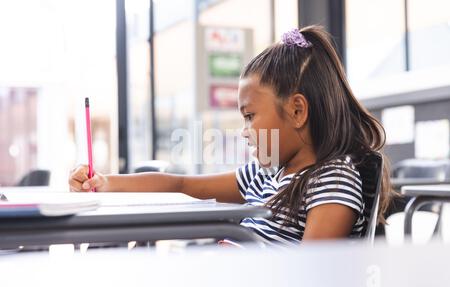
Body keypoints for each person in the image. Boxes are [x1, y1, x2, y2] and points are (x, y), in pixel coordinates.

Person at [69, 25, 392, 246]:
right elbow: (181, 185)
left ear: (297, 111)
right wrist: (108, 182)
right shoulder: (266, 174)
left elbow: (309, 278)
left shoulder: (333, 181)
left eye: (250, 117)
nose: (245, 132)